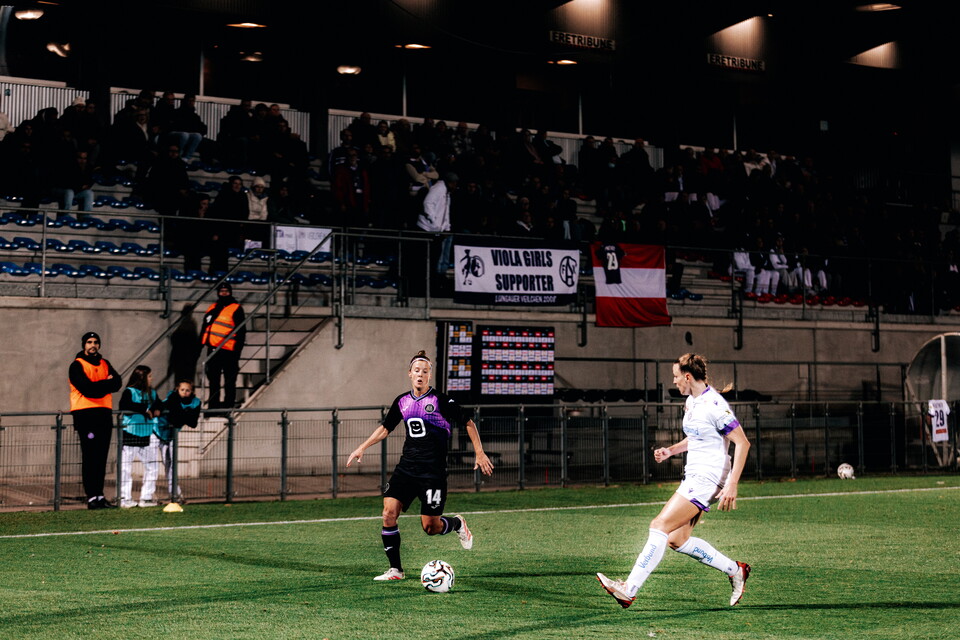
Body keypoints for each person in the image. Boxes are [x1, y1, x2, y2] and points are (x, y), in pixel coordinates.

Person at [597, 353, 752, 608]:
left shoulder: (714, 405)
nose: (674, 381)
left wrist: (732, 483)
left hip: (707, 477)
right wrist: (671, 450)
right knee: (676, 539)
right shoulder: (692, 402)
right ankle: (735, 570)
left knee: (659, 525)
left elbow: (742, 443)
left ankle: (629, 589)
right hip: (695, 475)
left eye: (676, 376)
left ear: (688, 376)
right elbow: (698, 437)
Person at [346, 350, 495, 581]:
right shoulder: (402, 401)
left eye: (425, 371)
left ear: (429, 376)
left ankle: (456, 523)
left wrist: (479, 452)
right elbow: (386, 428)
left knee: (430, 527)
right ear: (409, 373)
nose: (420, 375)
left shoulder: (441, 401)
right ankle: (396, 570)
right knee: (388, 514)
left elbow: (468, 422)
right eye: (416, 370)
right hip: (406, 469)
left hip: (432, 474)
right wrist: (362, 447)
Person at [69, 332, 123, 509]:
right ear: (84, 344)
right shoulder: (77, 365)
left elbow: (118, 382)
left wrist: (100, 385)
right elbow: (88, 389)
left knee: (101, 457)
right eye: (89, 342)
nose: (93, 345)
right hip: (86, 416)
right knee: (90, 456)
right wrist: (105, 384)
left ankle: (99, 495)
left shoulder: (105, 363)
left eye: (96, 342)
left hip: (103, 415)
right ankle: (92, 497)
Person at [118, 365, 162, 508]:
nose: (151, 378)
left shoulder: (152, 393)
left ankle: (146, 497)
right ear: (141, 378)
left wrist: (157, 409)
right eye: (149, 376)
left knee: (152, 467)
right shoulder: (129, 392)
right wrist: (145, 409)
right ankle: (125, 498)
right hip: (131, 433)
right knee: (125, 468)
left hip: (146, 434)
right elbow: (124, 405)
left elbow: (159, 404)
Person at [200, 281, 246, 410]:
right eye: (221, 291)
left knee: (229, 381)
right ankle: (213, 407)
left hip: (229, 350)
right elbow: (205, 328)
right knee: (213, 381)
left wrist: (237, 351)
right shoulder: (212, 307)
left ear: (230, 292)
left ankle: (228, 406)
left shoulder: (236, 308)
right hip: (213, 350)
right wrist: (200, 345)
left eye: (226, 291)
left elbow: (241, 331)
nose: (224, 293)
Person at [156, 379, 201, 502]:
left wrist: (183, 415)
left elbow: (193, 423)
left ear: (191, 392)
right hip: (157, 432)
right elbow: (176, 417)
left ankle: (175, 494)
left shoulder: (195, 402)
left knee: (171, 465)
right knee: (154, 465)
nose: (185, 392)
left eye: (188, 390)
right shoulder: (172, 398)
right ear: (177, 389)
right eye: (182, 390)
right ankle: (149, 496)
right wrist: (185, 415)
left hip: (171, 434)